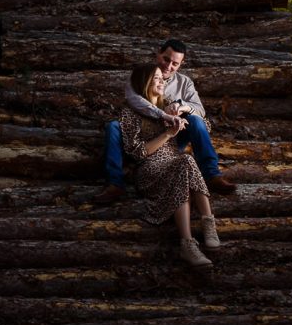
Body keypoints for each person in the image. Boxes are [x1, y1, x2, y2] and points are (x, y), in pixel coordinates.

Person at [93, 38, 236, 204]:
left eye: (175, 63)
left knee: (196, 121)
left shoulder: (184, 83)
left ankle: (212, 176)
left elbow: (200, 109)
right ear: (158, 54)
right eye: (166, 59)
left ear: (181, 64)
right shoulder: (142, 73)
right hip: (140, 136)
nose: (168, 66)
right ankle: (114, 184)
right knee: (113, 126)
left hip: (170, 141)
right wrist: (163, 114)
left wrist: (181, 106)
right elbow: (134, 99)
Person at [118, 64, 221, 267]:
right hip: (150, 168)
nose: (162, 81)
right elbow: (138, 153)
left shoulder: (169, 105)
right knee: (185, 161)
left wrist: (183, 110)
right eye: (156, 78)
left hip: (176, 162)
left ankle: (207, 225)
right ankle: (189, 244)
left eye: (162, 78)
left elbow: (205, 126)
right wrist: (167, 134)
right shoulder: (130, 113)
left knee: (185, 161)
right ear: (144, 82)